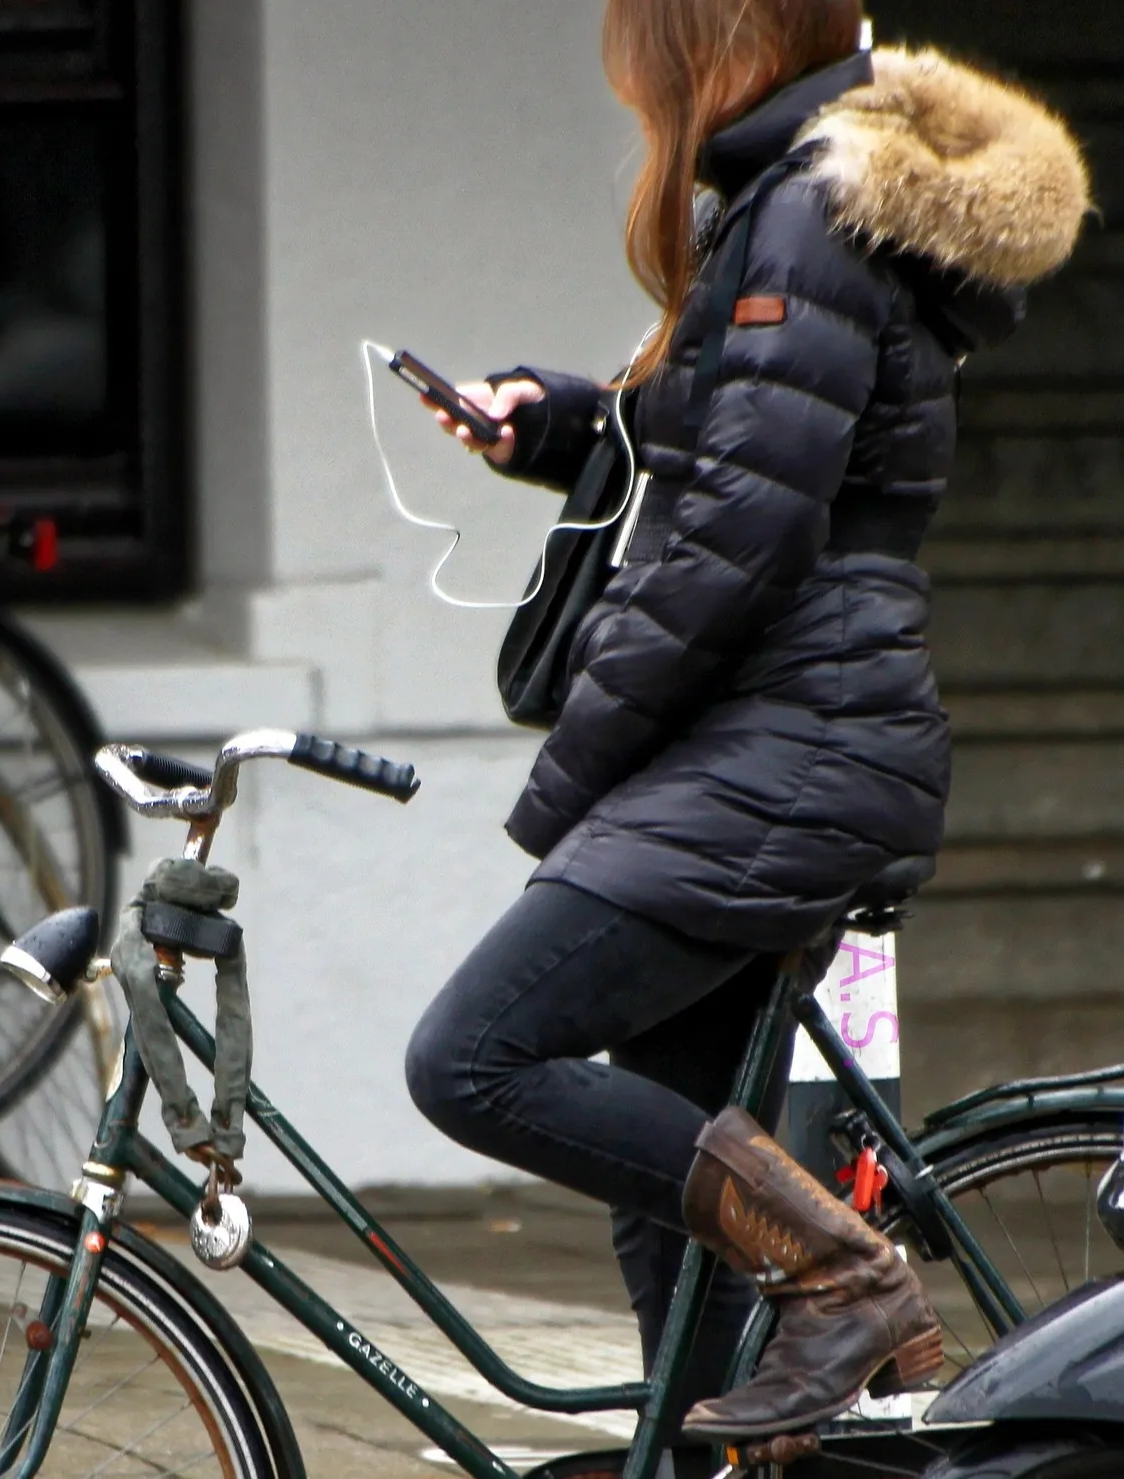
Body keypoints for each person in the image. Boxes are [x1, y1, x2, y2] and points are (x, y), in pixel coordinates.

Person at [404, 0, 1090, 1444]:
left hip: (785, 742)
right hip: (779, 736)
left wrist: (577, 763)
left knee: (470, 1057)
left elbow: (743, 533)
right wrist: (563, 425)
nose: (635, 87)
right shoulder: (792, 202)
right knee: (677, 1224)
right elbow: (755, 449)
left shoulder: (807, 213)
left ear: (715, 40)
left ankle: (845, 1274)